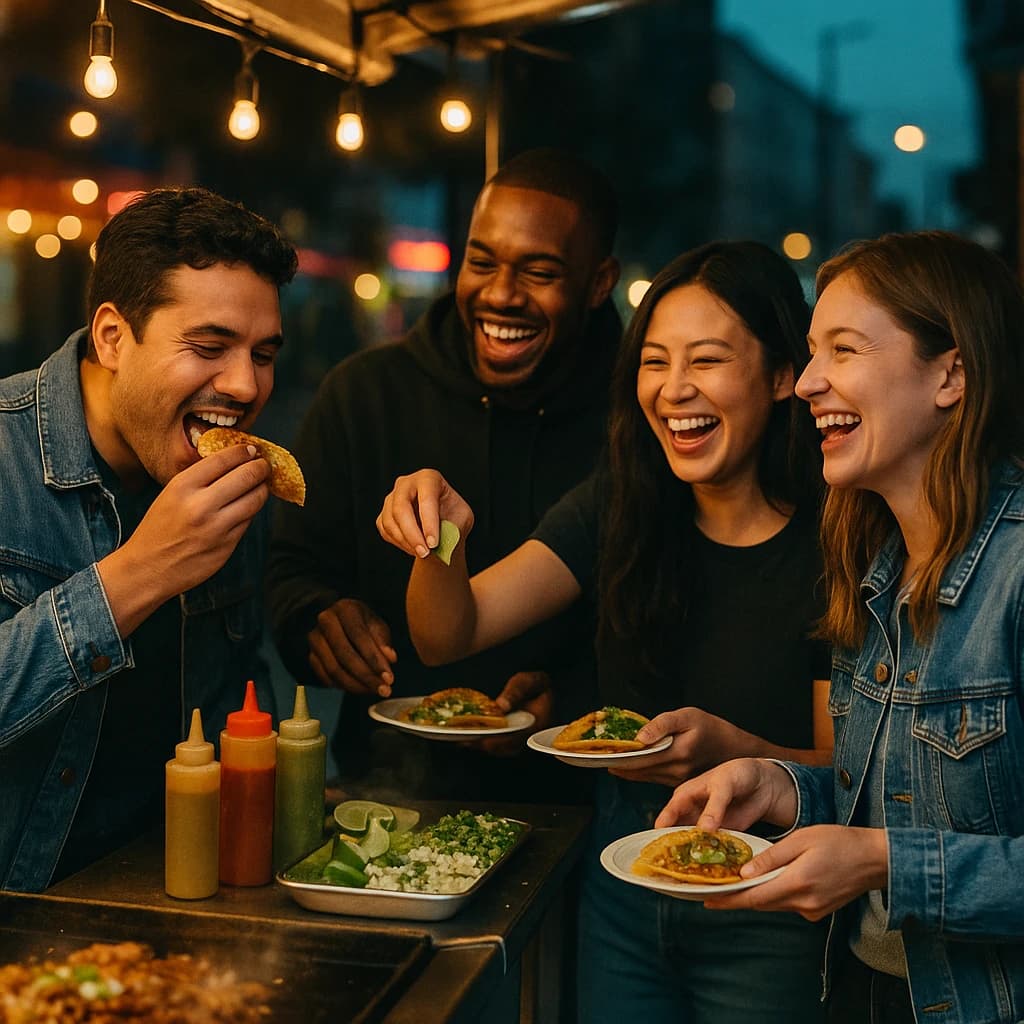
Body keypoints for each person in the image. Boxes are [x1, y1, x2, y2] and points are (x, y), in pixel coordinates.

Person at [377, 241, 832, 1024]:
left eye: (709, 360)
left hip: (774, 897)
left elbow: (846, 772)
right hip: (622, 876)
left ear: (784, 375)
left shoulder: (834, 540)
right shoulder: (619, 504)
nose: (674, 389)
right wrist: (440, 537)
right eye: (654, 361)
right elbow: (452, 632)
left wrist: (734, 750)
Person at [655, 231, 1024, 1024]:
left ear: (951, 374)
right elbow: (897, 804)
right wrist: (780, 787)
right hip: (862, 991)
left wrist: (885, 865)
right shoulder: (875, 570)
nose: (809, 382)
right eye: (814, 352)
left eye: (844, 350)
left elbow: (894, 849)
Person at [266, 147, 621, 801]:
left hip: (579, 804)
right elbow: (289, 569)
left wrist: (575, 694)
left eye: (539, 272)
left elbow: (666, 622)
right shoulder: (364, 393)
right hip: (387, 785)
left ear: (599, 283)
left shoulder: (634, 422)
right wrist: (315, 620)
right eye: (481, 262)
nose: (500, 295)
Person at [0, 186, 298, 892]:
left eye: (263, 353)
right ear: (112, 337)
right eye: (209, 346)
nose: (245, 384)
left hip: (176, 897)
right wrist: (137, 575)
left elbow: (236, 696)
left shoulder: (230, 477)